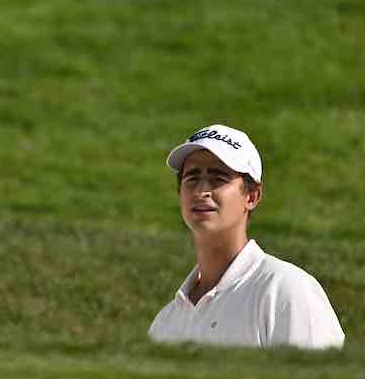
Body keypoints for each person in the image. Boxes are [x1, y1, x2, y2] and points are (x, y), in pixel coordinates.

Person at [148, 124, 346, 350]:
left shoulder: (285, 290)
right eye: (192, 178)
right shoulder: (164, 324)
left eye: (218, 178)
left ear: (252, 196)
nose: (202, 191)